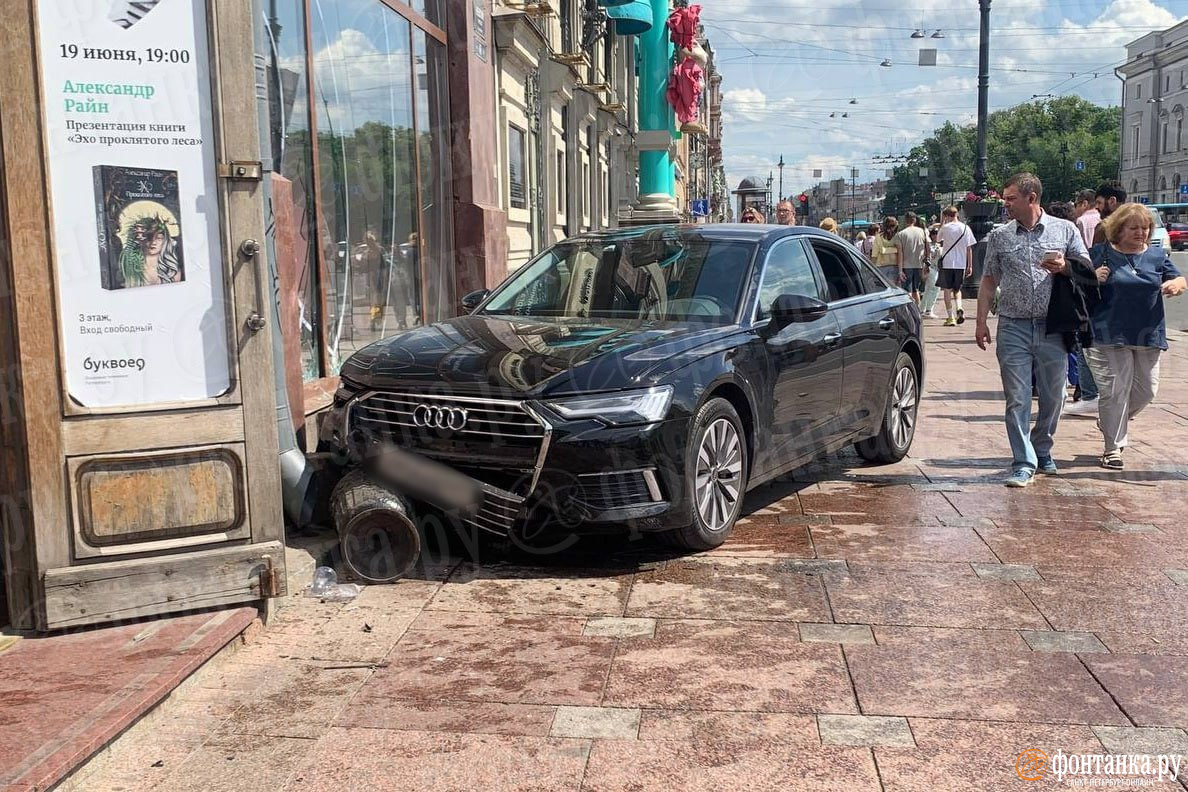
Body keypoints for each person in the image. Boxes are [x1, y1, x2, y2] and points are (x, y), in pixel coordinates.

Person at [974, 172, 1089, 488]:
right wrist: (981, 321)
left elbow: (1086, 269)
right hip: (1013, 326)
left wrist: (1064, 267)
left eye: (1011, 198)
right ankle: (1023, 461)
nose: (1006, 204)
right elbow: (988, 281)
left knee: (1054, 396)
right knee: (1018, 397)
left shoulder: (1065, 229)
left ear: (1031, 198)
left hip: (1053, 326)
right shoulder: (1000, 236)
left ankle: (1042, 448)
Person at [1084, 202, 1187, 470]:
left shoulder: (1155, 256)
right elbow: (1076, 283)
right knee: (1115, 391)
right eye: (1134, 228)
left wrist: (1176, 284)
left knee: (1146, 392)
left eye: (1145, 228)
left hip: (1148, 333)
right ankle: (1112, 448)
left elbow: (1179, 279)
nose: (1141, 232)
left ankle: (1109, 421)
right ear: (1119, 229)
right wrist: (1093, 277)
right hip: (1108, 332)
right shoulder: (1100, 253)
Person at [935, 206, 976, 326]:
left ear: (947, 216)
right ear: (957, 214)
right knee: (957, 289)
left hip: (947, 263)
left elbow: (938, 239)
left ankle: (950, 317)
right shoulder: (965, 228)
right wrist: (970, 265)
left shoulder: (945, 228)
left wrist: (942, 223)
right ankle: (959, 307)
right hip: (961, 263)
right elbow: (969, 248)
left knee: (947, 290)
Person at [894, 211, 930, 306]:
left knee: (907, 291)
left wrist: (900, 270)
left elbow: (900, 253)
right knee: (915, 290)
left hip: (906, 265)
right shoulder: (922, 232)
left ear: (906, 220)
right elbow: (927, 248)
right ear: (915, 220)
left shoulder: (900, 234)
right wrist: (927, 262)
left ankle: (909, 310)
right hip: (919, 265)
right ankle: (917, 309)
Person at [1091, 181, 1126, 245]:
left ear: (1112, 201)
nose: (1096, 207)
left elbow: (1097, 254)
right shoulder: (1137, 226)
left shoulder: (1104, 228)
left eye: (1099, 203)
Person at [921, 225, 942, 318]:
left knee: (928, 289)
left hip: (935, 268)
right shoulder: (929, 246)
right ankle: (929, 310)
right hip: (931, 268)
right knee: (934, 289)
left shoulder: (939, 245)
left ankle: (923, 309)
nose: (935, 235)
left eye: (937, 233)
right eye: (934, 233)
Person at [872, 216, 899, 283]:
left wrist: (872, 268)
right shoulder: (898, 237)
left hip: (881, 267)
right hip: (895, 266)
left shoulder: (878, 237)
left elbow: (874, 255)